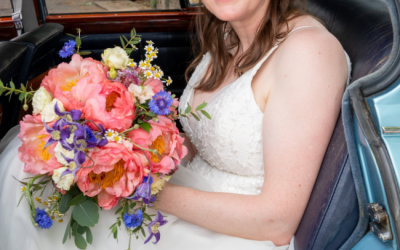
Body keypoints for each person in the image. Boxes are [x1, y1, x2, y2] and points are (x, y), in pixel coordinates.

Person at [0, 0, 351, 249]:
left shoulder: (309, 52)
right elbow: (204, 142)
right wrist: (120, 147)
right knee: (37, 171)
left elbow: (276, 221)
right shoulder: (227, 37)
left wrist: (142, 190)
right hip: (194, 193)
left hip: (241, 233)